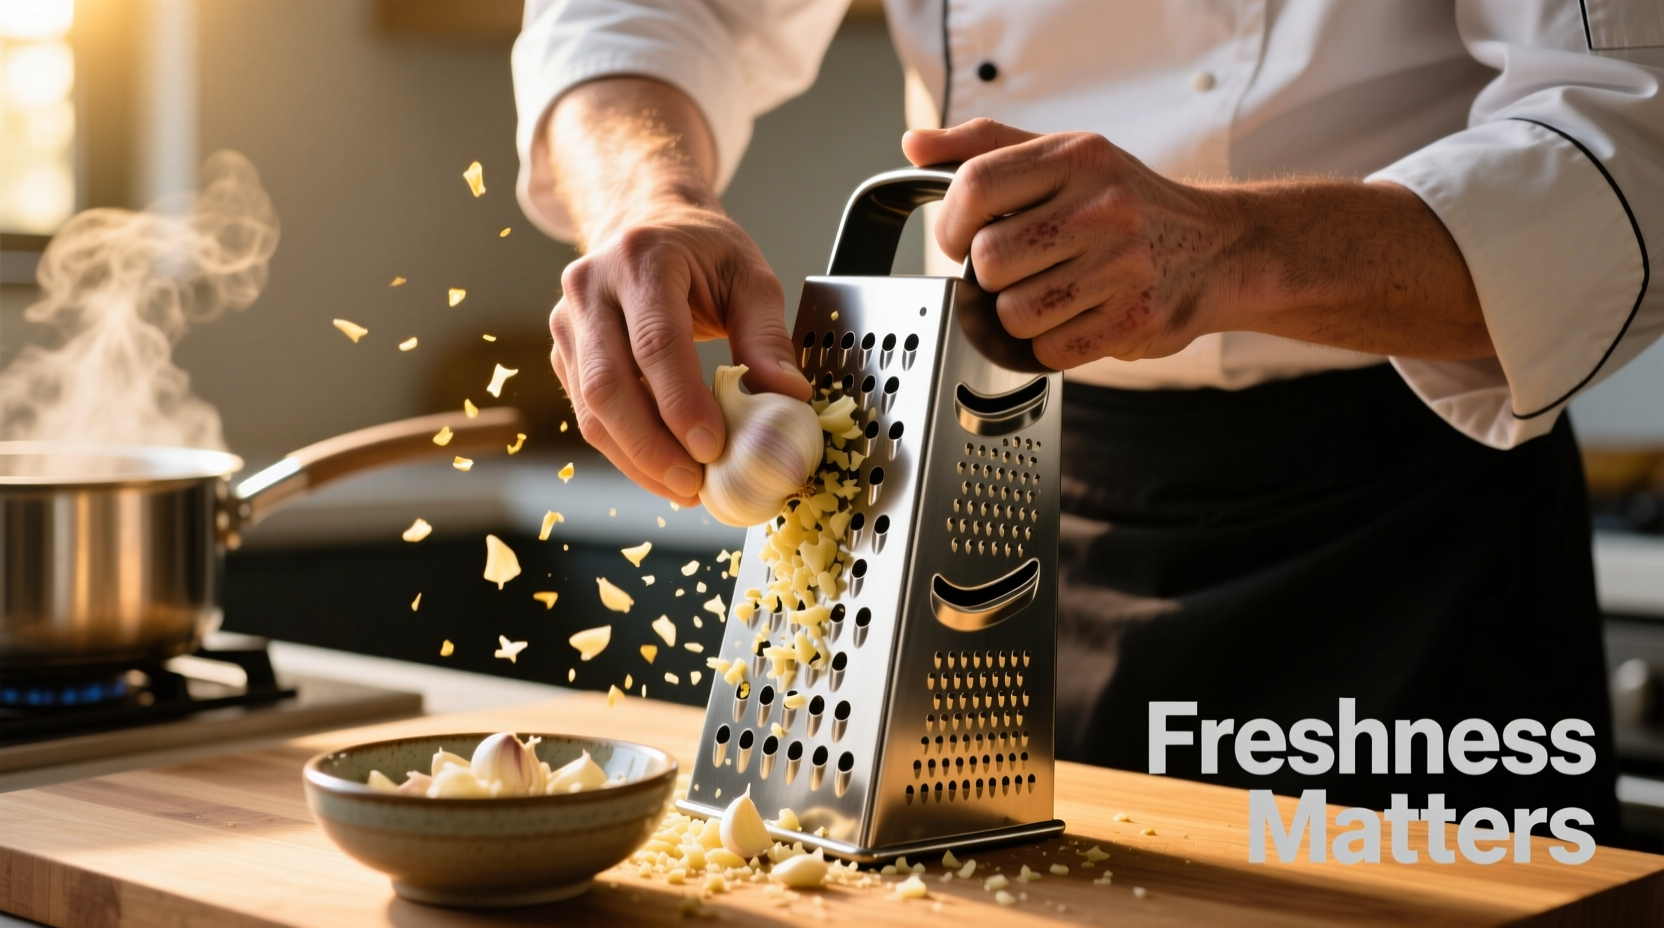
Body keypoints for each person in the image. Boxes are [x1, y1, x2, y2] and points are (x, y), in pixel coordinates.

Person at [511, 1, 1663, 838]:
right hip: (990, 500)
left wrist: (1231, 248)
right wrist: (644, 197)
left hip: (1410, 531)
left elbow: (1629, 130)